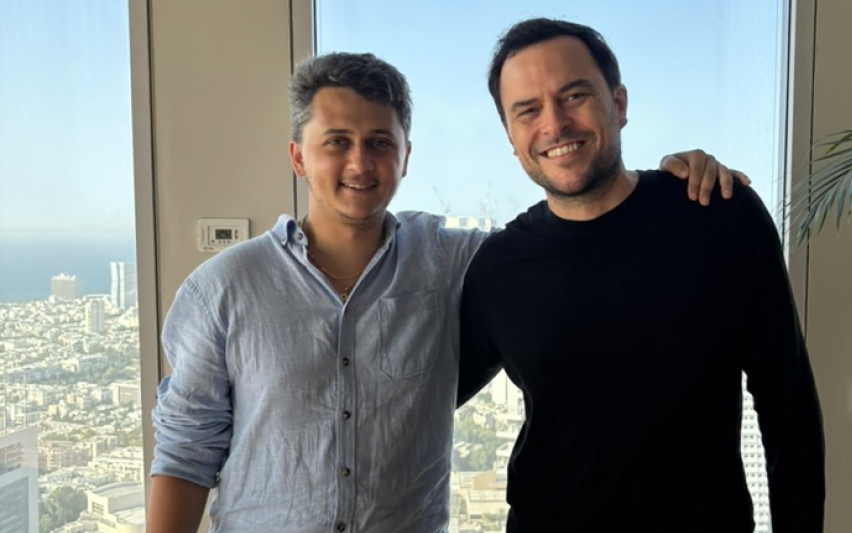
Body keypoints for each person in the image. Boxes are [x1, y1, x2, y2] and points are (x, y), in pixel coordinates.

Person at [146, 50, 746, 533]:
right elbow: (186, 451)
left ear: (406, 157)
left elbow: (566, 240)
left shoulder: (454, 261)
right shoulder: (222, 288)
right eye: (337, 141)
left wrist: (660, 187)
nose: (360, 163)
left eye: (380, 142)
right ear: (298, 157)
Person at [456, 18, 825, 533]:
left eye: (574, 95)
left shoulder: (717, 214)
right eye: (528, 110)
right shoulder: (497, 266)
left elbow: (788, 404)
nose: (555, 124)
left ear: (619, 103)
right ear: (511, 136)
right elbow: (420, 400)